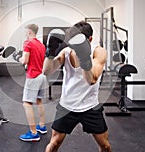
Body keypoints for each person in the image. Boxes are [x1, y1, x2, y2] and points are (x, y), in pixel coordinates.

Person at [43, 21, 111, 152]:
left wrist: (84, 57)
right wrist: (50, 52)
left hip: (90, 106)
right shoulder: (66, 52)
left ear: (90, 39)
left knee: (105, 145)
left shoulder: (98, 52)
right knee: (54, 144)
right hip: (67, 105)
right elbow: (46, 71)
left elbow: (91, 80)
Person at [16, 24, 47, 142]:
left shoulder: (28, 43)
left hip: (33, 76)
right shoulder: (41, 45)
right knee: (39, 101)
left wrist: (17, 57)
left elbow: (25, 60)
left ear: (29, 32)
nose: (25, 34)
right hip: (41, 76)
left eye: (26, 32)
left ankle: (33, 132)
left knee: (27, 103)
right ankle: (42, 126)